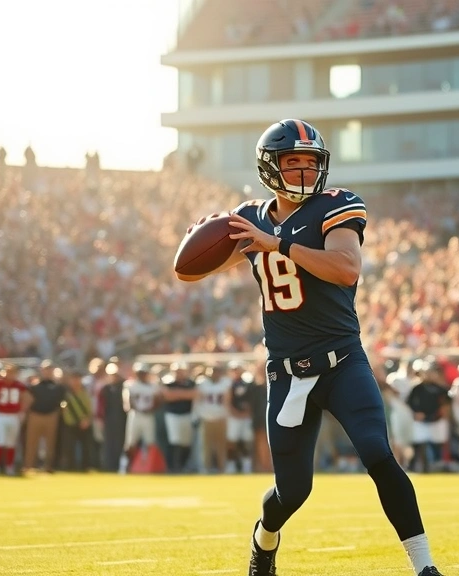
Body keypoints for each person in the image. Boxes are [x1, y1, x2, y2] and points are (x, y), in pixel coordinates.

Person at [177, 119, 443, 576]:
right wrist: (200, 245)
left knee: (378, 455)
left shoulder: (337, 206)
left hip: (342, 361)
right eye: (291, 162)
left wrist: (277, 243)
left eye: (309, 162)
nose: (302, 171)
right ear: (269, 167)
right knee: (293, 491)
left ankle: (425, 568)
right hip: (285, 371)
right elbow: (190, 272)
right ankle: (264, 540)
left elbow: (345, 268)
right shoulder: (250, 216)